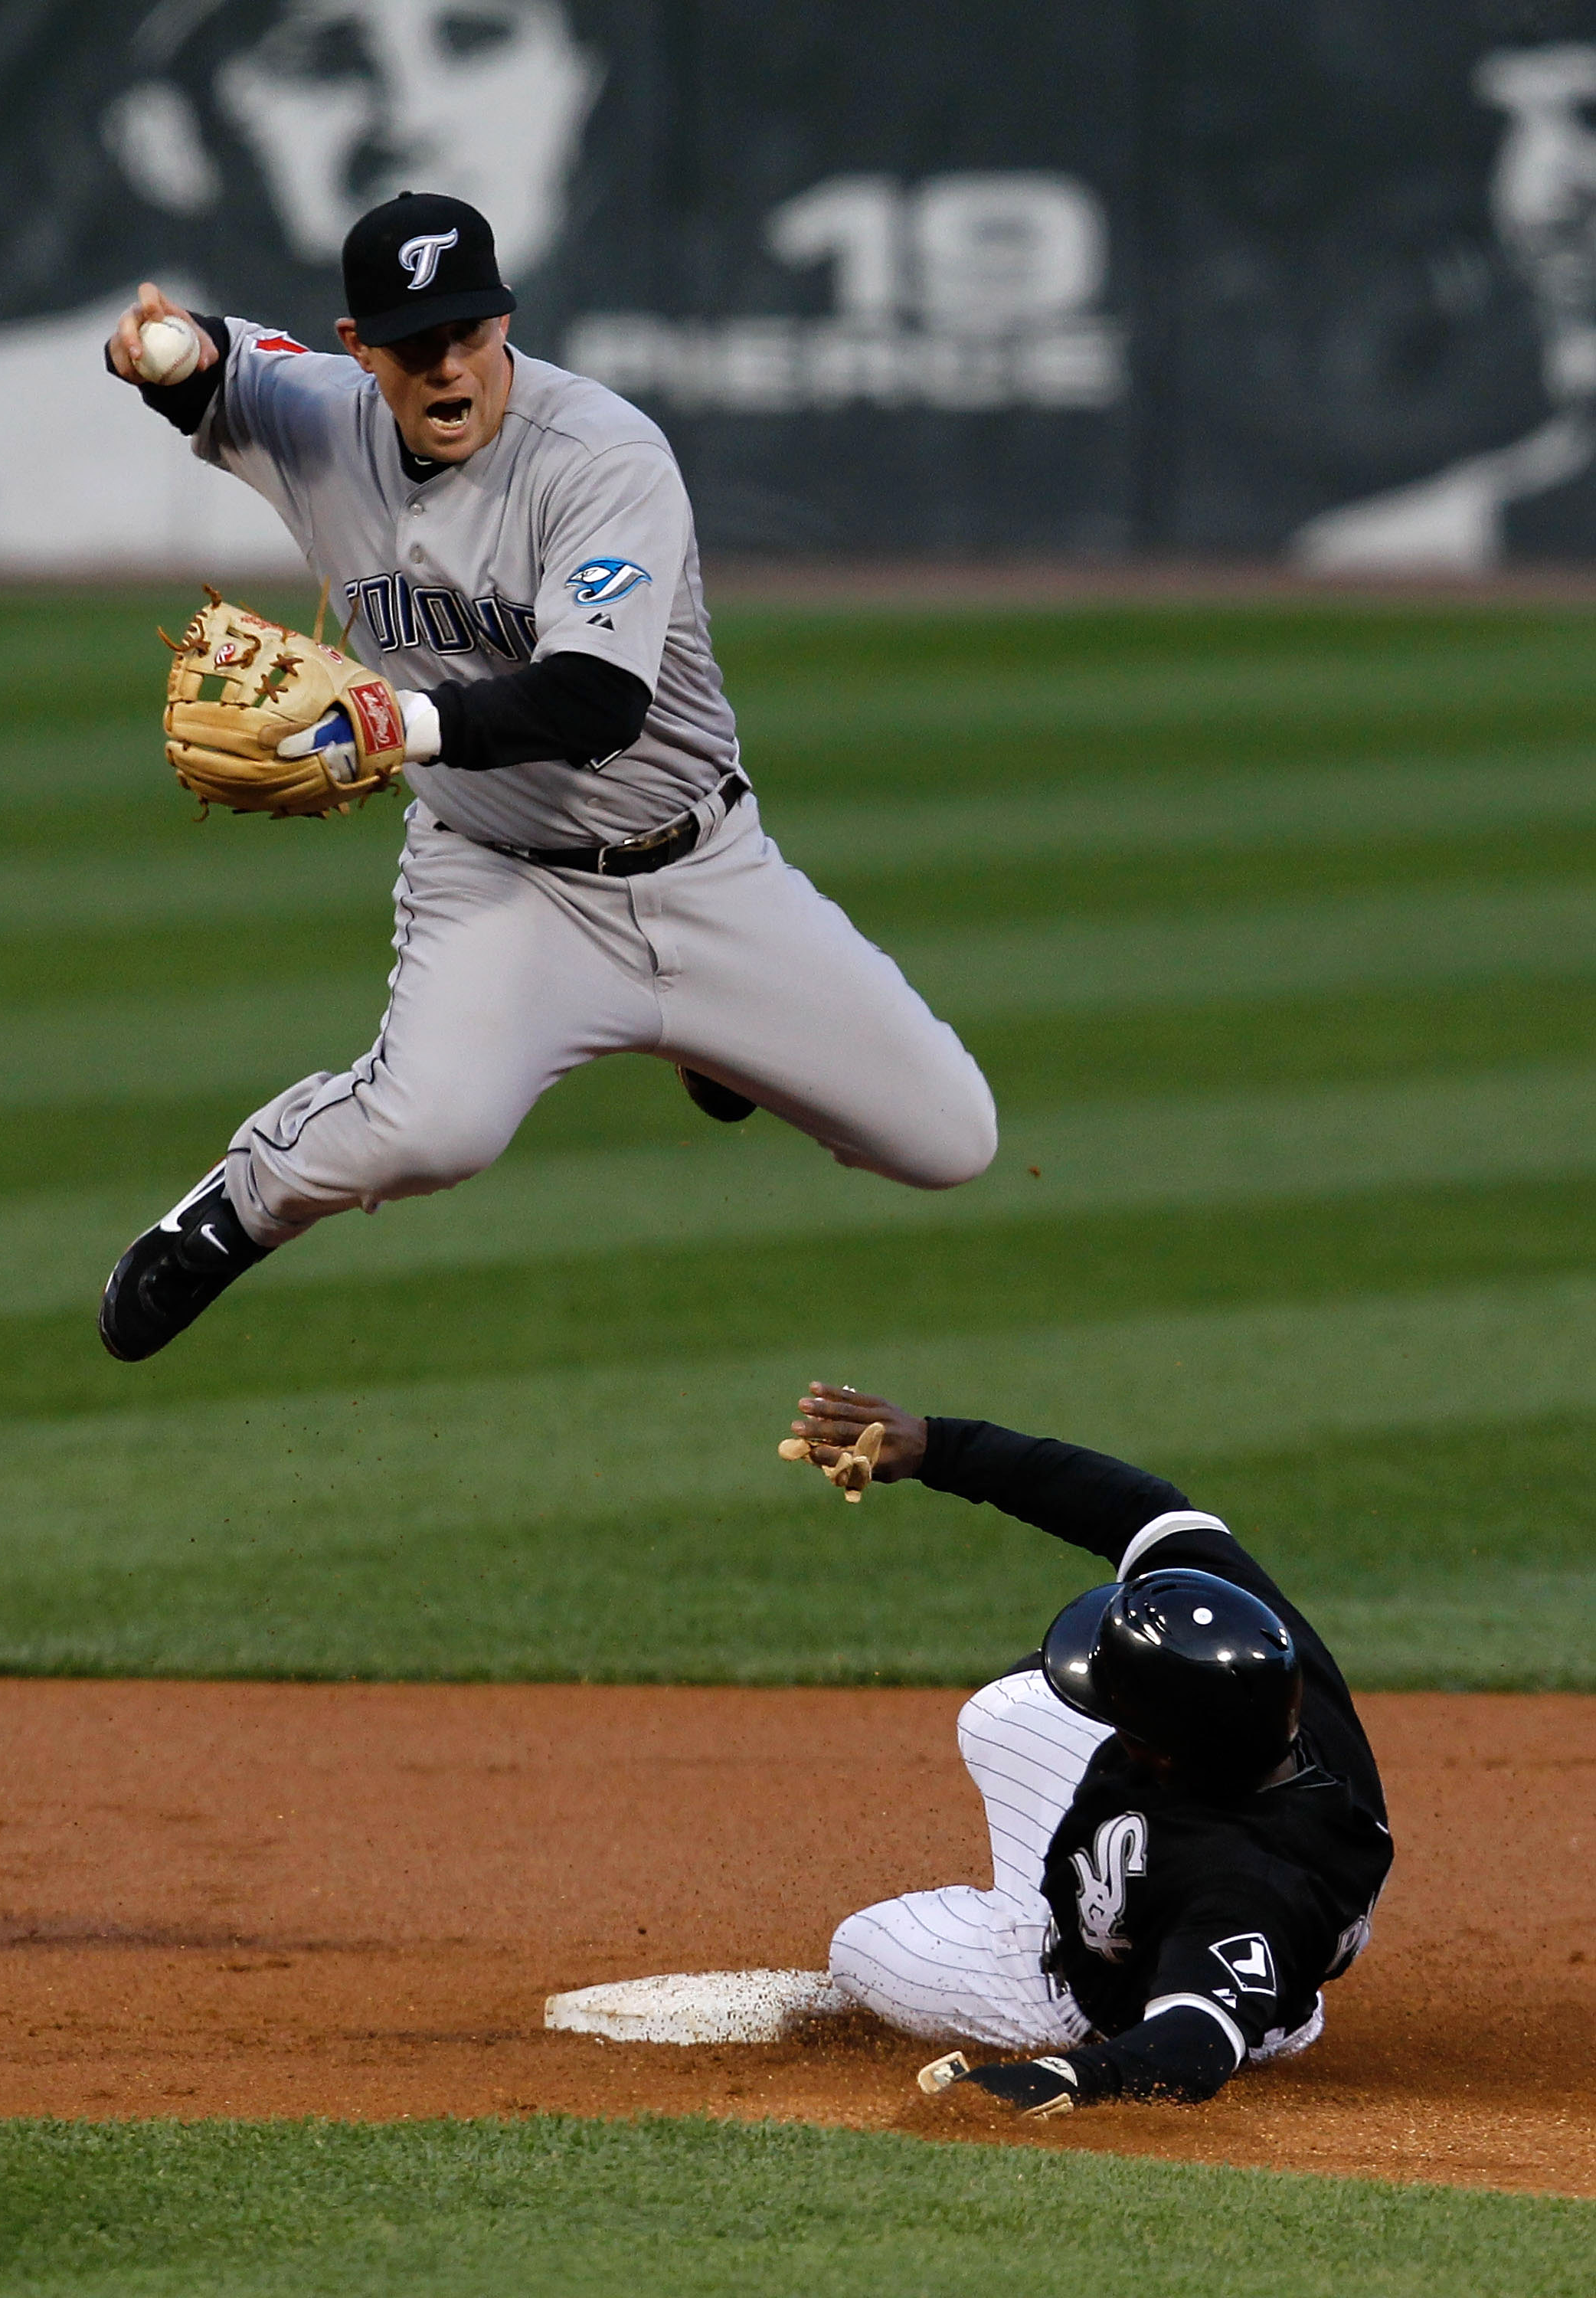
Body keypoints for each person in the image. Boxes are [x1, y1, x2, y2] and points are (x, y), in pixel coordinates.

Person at [94, 191, 998, 1361]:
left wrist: (392, 722)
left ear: (505, 321)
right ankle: (239, 1203)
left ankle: (710, 1039)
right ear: (357, 349)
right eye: (414, 346)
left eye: (471, 334)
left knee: (948, 1141)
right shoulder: (319, 412)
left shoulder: (602, 456)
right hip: (499, 877)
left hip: (703, 867)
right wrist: (161, 356)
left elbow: (592, 702)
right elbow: (218, 368)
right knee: (433, 1132)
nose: (450, 365)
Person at [786, 1382, 1393, 2113]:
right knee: (1011, 1706)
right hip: (1217, 1863)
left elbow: (1193, 2046)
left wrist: (1067, 2074)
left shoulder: (1238, 1888)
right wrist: (937, 1446)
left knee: (861, 1948)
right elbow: (1144, 1510)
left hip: (1090, 2000)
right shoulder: (1261, 1657)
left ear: (1160, 1756)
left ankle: (1052, 1964)